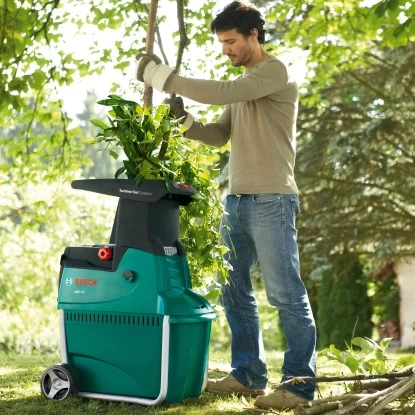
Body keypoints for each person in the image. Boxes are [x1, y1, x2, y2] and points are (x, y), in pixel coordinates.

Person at [135, 1, 317, 410]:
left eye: (231, 41)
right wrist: (184, 123)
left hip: (272, 199)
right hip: (236, 200)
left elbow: (222, 93)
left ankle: (298, 386)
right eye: (221, 43)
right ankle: (248, 375)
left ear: (254, 35)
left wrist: (159, 76)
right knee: (234, 290)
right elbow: (219, 135)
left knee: (285, 294)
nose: (225, 50)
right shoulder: (244, 83)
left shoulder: (275, 72)